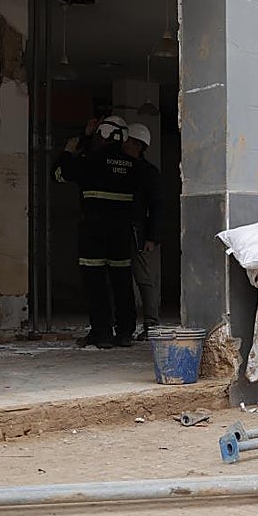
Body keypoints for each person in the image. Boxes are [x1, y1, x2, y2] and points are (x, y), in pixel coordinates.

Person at [53, 115, 145, 348]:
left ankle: (102, 333)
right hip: (121, 232)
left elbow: (60, 174)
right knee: (122, 281)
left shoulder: (90, 161)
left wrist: (70, 149)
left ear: (102, 134)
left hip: (93, 230)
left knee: (96, 282)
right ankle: (125, 332)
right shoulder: (134, 166)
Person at [123, 123, 163, 340]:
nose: (124, 145)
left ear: (138, 145)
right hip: (126, 229)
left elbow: (157, 207)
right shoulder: (125, 167)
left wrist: (151, 237)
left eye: (128, 141)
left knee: (144, 278)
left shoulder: (147, 173)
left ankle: (151, 323)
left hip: (140, 233)